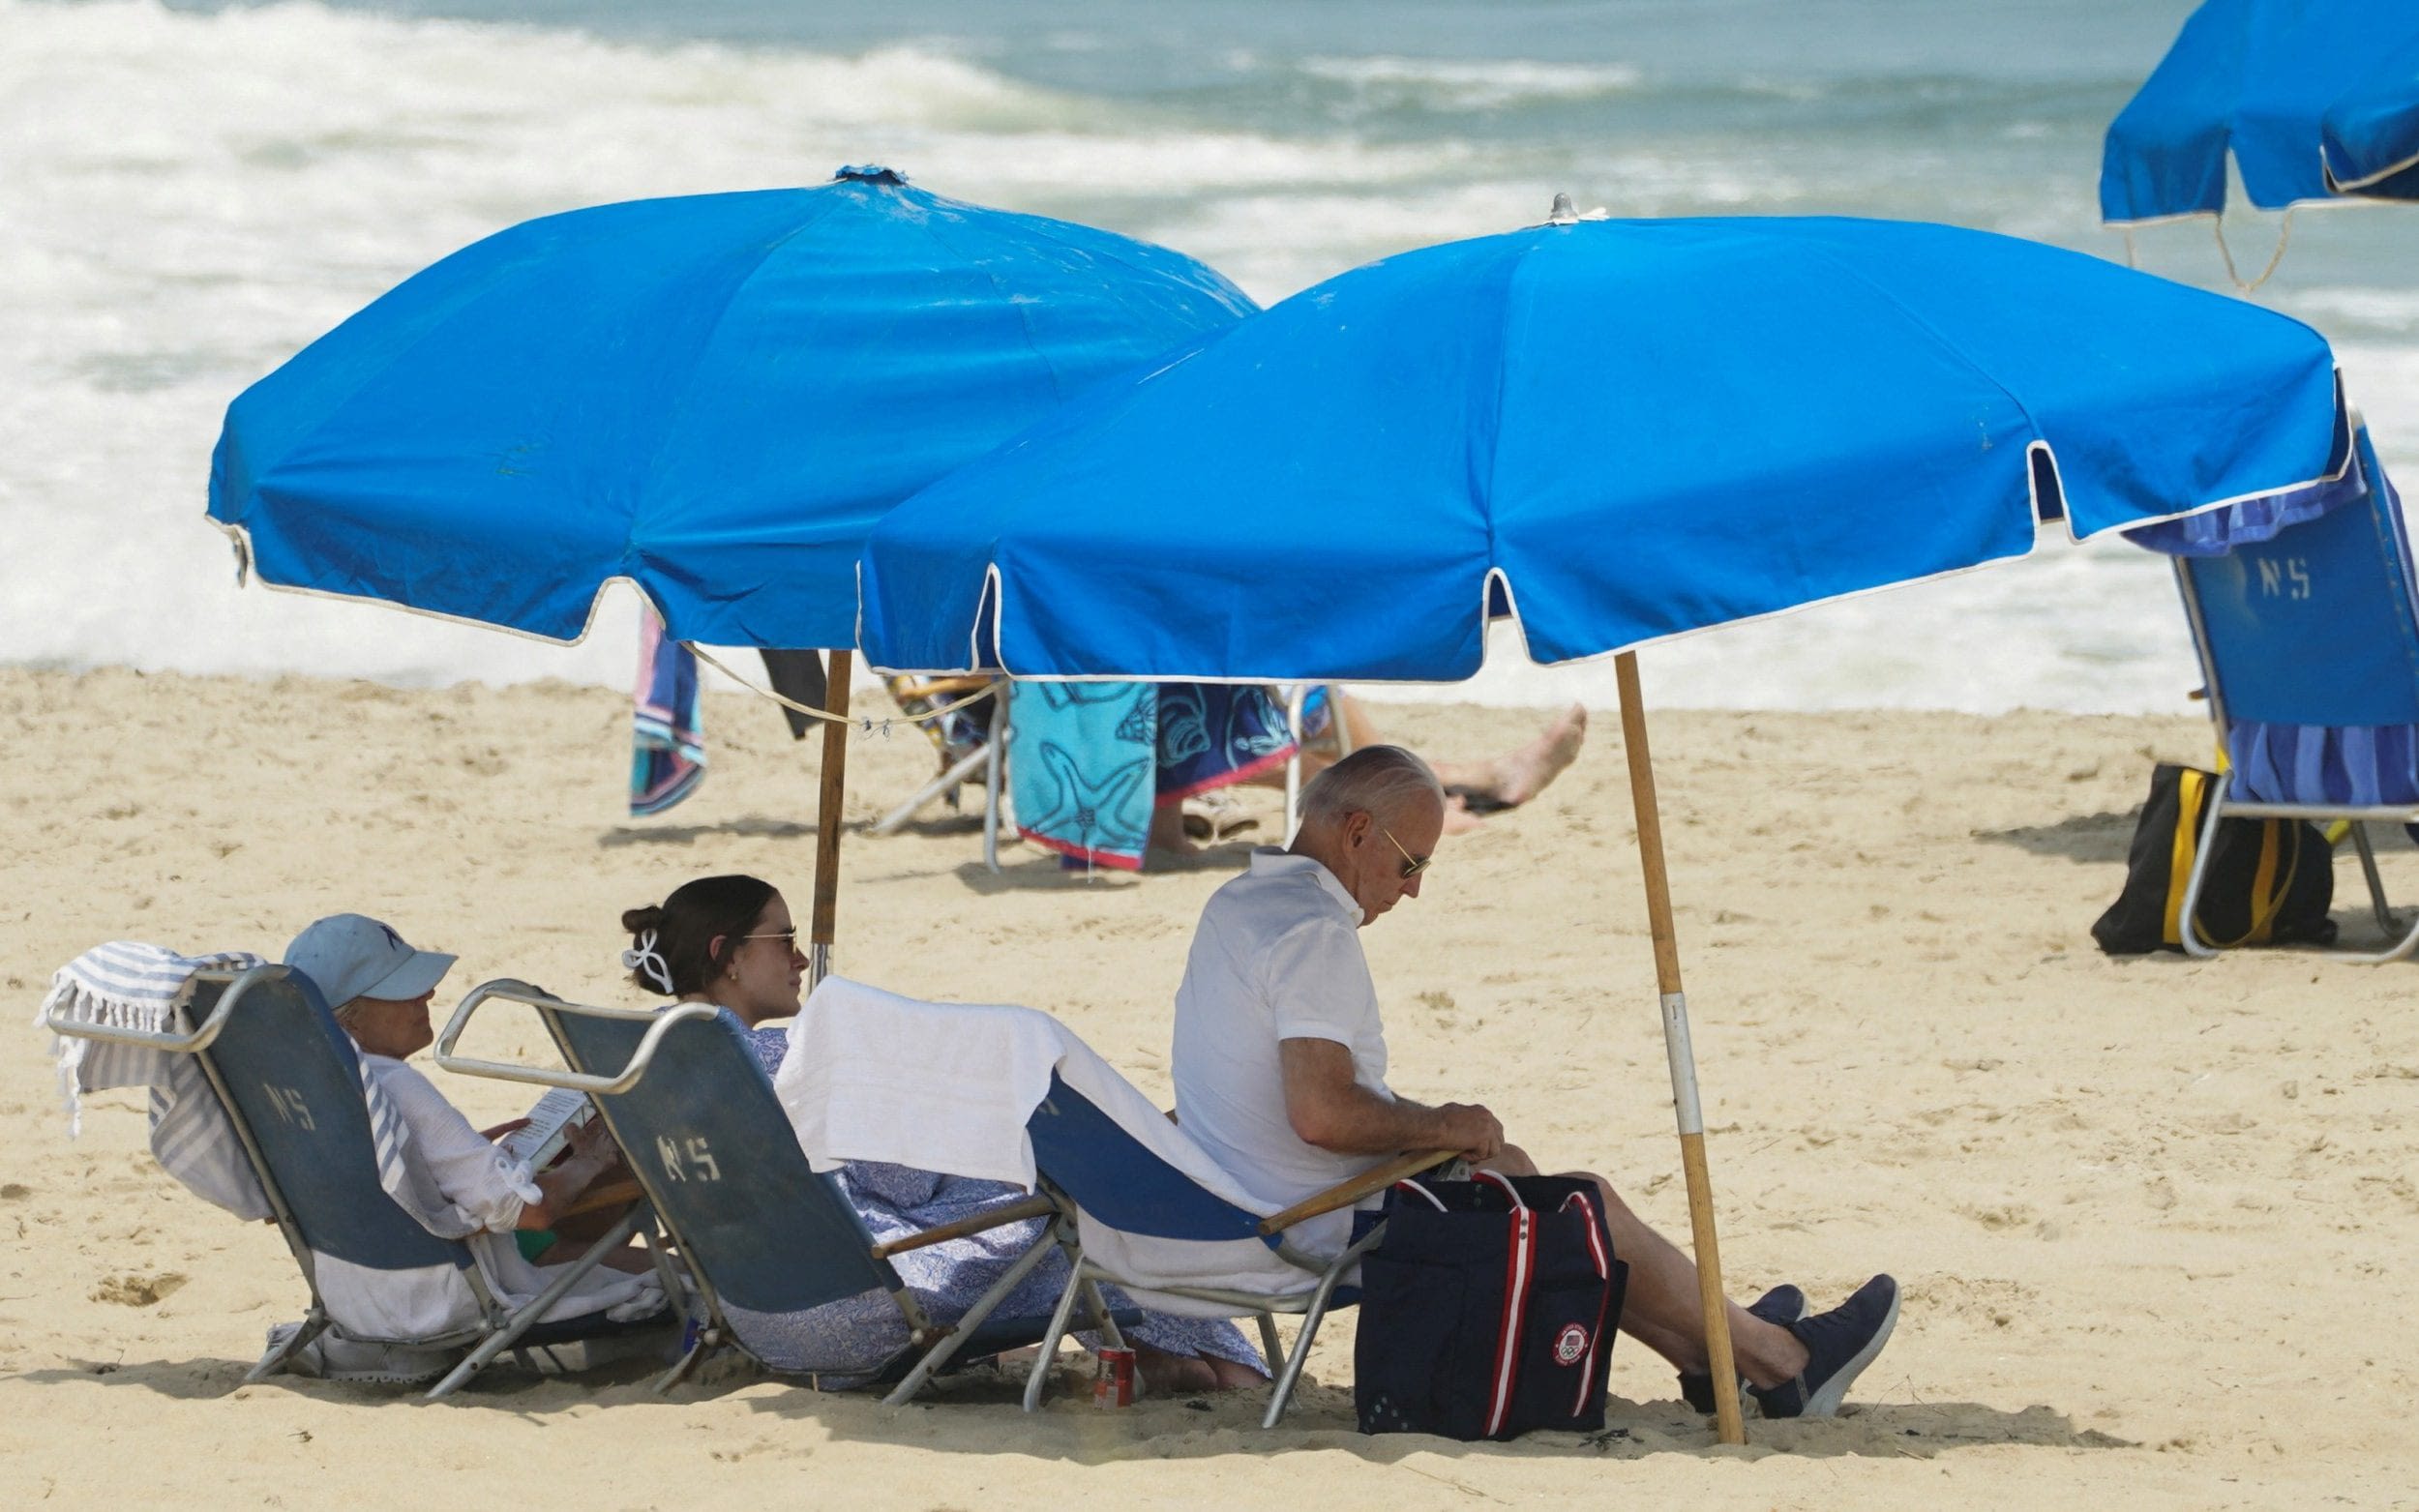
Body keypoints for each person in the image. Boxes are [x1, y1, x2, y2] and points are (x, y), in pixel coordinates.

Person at [1167, 747, 1899, 1420]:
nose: (1415, 888)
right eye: (1409, 861)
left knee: (1528, 1184)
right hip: (1295, 1220)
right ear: (1356, 833)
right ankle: (1782, 1362)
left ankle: (1713, 1351)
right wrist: (1442, 1124)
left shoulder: (1240, 902)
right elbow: (1322, 1112)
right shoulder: (1312, 933)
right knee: (1574, 1201)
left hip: (1228, 1196)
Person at [619, 875, 1268, 1395]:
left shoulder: (651, 1057)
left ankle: (1167, 1355)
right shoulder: (787, 1061)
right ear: (724, 955)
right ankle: (1230, 1365)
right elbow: (902, 1178)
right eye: (782, 937)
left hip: (751, 1315)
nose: (796, 955)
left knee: (1022, 1199)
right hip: (850, 1313)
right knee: (1074, 1211)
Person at [280, 913, 656, 1345]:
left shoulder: (306, 1095)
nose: (428, 993)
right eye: (400, 991)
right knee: (670, 1278)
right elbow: (528, 1212)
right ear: (350, 1019)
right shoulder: (396, 1086)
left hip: (356, 1302)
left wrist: (439, 1165)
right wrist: (588, 1163)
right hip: (444, 1305)